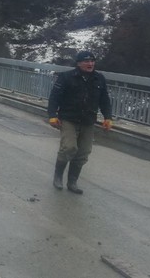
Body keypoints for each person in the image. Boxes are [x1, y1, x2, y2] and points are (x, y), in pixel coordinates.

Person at [47, 50, 113, 194]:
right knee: (69, 147)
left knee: (83, 153)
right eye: (86, 61)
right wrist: (52, 115)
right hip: (68, 118)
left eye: (92, 61)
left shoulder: (99, 78)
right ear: (78, 63)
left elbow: (104, 100)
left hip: (88, 121)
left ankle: (72, 182)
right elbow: (54, 97)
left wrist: (108, 117)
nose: (90, 64)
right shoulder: (66, 77)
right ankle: (58, 177)